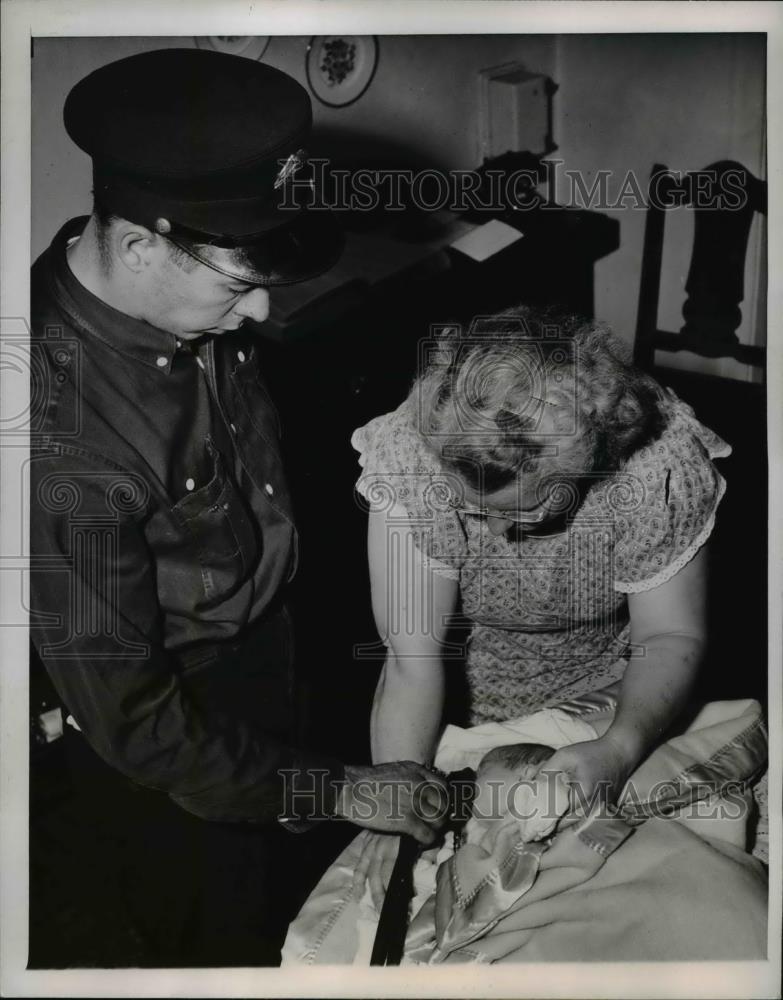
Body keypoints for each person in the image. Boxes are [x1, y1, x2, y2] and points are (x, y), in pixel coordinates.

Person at [29, 48, 446, 968]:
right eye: (234, 284)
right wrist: (332, 790)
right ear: (138, 244)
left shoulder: (168, 288)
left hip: (273, 644)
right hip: (181, 728)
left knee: (308, 901)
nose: (259, 313)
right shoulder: (60, 440)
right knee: (225, 938)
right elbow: (138, 723)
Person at [350, 307, 731, 893]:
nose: (498, 536)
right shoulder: (410, 458)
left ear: (593, 464)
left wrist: (620, 748)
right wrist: (394, 797)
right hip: (461, 694)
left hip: (614, 689)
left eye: (529, 507)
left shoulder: (654, 466)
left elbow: (668, 637)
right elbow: (411, 660)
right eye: (474, 510)